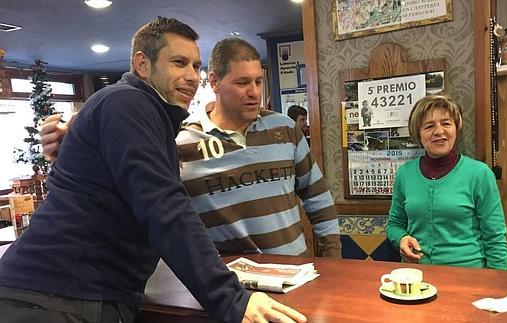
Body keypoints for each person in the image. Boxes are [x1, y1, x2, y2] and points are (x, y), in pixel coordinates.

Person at [0, 17, 306, 323]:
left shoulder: (138, 111)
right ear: (142, 65)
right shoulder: (128, 102)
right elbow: (165, 207)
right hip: (57, 297)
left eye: (195, 66)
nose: (191, 76)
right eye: (178, 62)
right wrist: (231, 298)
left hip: (72, 295)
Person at [40, 38, 341, 258]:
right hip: (228, 287)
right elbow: (139, 202)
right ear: (215, 82)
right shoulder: (178, 139)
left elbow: (317, 198)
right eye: (242, 82)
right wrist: (72, 144)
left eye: (259, 82)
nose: (254, 93)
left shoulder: (285, 129)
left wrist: (332, 260)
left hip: (297, 273)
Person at [386, 95, 507, 270]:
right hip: (415, 277)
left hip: (468, 277)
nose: (439, 131)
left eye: (446, 123)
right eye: (429, 126)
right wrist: (401, 238)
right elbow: (395, 224)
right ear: (418, 134)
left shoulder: (480, 174)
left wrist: (500, 284)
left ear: (456, 128)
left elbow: (495, 237)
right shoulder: (405, 174)